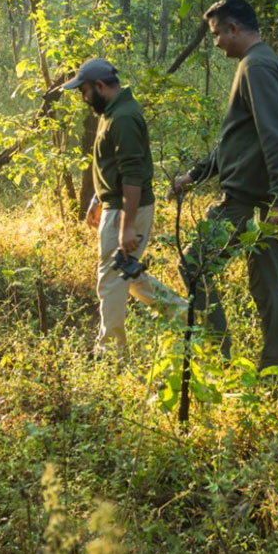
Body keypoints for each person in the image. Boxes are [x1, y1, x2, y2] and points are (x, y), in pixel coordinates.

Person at [170, 0, 278, 376]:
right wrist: (197, 174)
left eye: (216, 35)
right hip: (258, 198)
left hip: (249, 202)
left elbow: (277, 135)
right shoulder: (257, 63)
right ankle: (273, 372)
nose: (216, 43)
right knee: (267, 289)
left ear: (234, 28)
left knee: (194, 264)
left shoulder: (256, 66)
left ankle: (221, 358)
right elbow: (238, 138)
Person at [64, 57, 185, 354]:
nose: (83, 97)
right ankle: (184, 313)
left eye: (85, 91)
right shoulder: (113, 112)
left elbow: (132, 175)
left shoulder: (124, 118)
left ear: (100, 86)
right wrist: (97, 198)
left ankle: (110, 351)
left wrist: (126, 225)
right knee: (125, 273)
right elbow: (112, 166)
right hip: (115, 205)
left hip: (124, 210)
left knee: (110, 279)